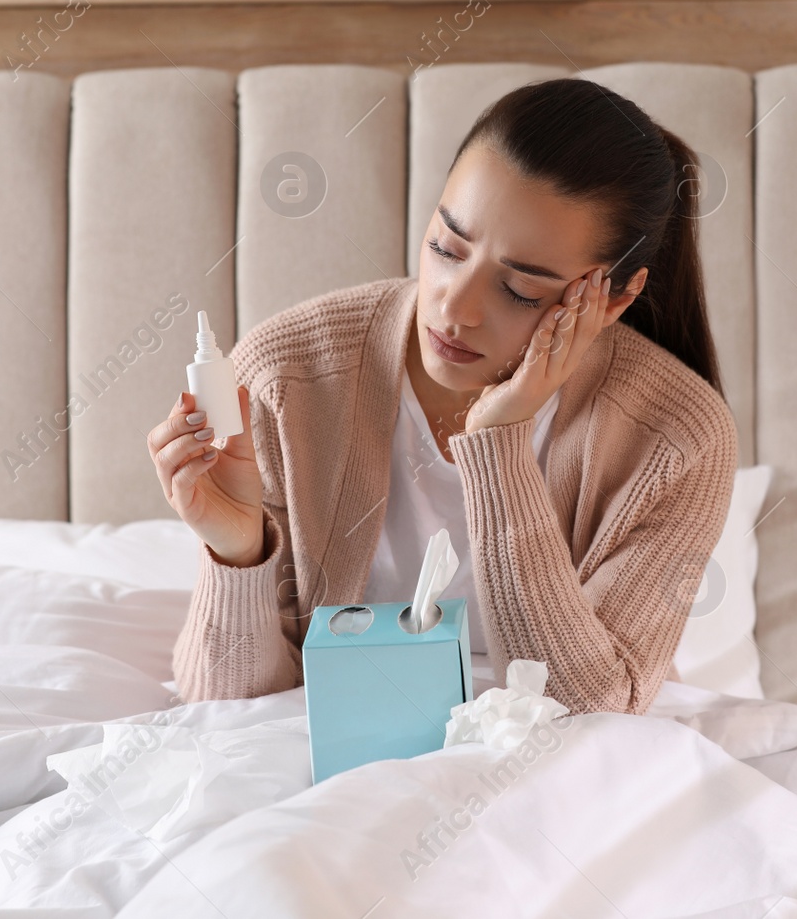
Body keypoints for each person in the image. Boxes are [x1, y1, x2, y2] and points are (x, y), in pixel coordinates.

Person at [148, 78, 737, 715]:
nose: (454, 308)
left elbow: (589, 713)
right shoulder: (287, 377)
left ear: (614, 298)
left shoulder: (679, 437)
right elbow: (227, 711)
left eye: (519, 291)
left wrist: (499, 446)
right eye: (445, 248)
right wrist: (239, 553)